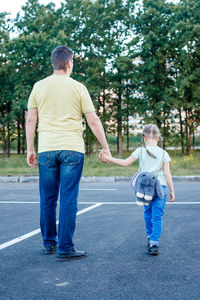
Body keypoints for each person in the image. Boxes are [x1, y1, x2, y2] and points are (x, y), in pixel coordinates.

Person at [26, 45, 110, 261]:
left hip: (46, 149)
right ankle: (65, 248)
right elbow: (92, 119)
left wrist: (30, 148)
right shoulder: (78, 87)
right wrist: (105, 146)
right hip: (72, 149)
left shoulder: (38, 86)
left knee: (48, 199)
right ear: (69, 63)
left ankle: (49, 243)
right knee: (68, 199)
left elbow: (31, 119)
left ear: (54, 63)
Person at [100, 124, 175, 255]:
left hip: (145, 189)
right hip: (160, 187)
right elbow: (167, 174)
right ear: (158, 138)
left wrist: (109, 158)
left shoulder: (140, 151)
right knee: (157, 216)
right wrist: (172, 190)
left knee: (147, 212)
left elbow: (124, 163)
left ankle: (149, 235)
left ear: (144, 137)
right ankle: (154, 242)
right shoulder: (164, 153)